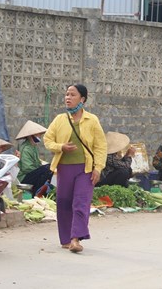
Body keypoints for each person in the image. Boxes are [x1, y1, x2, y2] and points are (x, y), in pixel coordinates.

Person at [43, 84, 107, 254]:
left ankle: (75, 239)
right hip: (64, 168)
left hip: (85, 169)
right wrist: (61, 146)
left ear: (82, 99)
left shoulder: (92, 120)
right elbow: (47, 140)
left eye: (72, 95)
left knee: (81, 202)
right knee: (64, 202)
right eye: (66, 94)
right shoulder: (60, 120)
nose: (68, 98)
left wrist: (98, 168)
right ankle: (65, 238)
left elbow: (101, 146)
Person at [16, 120, 54, 196]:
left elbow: (37, 162)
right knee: (47, 168)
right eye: (38, 134)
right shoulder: (26, 148)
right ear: (32, 135)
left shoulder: (33, 147)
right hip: (24, 177)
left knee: (49, 169)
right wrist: (41, 169)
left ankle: (41, 192)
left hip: (31, 173)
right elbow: (27, 168)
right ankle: (36, 193)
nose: (40, 136)